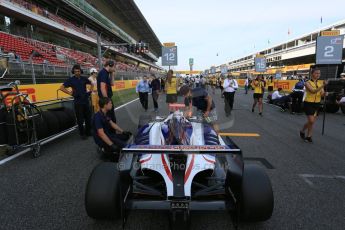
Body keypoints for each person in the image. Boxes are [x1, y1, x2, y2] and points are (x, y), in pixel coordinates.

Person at [60, 64, 92, 139]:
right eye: (75, 71)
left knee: (88, 118)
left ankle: (88, 132)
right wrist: (70, 93)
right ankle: (82, 134)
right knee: (80, 119)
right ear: (73, 72)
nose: (77, 72)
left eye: (78, 71)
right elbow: (61, 88)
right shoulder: (71, 79)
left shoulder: (84, 78)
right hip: (78, 103)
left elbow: (92, 83)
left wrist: (90, 91)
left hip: (86, 101)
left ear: (81, 71)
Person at [300, 68, 327, 143]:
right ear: (312, 74)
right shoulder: (307, 82)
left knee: (311, 122)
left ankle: (308, 136)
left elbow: (321, 94)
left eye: (319, 73)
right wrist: (323, 86)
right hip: (308, 103)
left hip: (317, 104)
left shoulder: (320, 83)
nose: (318, 75)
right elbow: (312, 91)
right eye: (316, 73)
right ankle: (305, 132)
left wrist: (325, 94)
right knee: (311, 121)